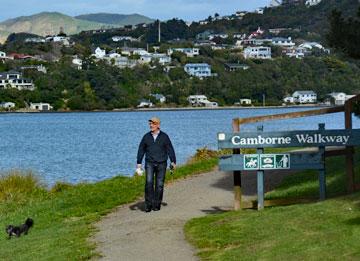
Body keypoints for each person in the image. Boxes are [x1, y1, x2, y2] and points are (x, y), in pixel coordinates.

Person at [137, 117, 176, 212]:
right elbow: (141, 149)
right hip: (149, 163)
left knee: (159, 185)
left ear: (158, 125)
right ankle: (148, 205)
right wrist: (139, 163)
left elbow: (170, 149)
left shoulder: (164, 137)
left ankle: (157, 204)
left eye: (153, 124)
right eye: (150, 124)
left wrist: (173, 161)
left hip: (161, 163)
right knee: (149, 183)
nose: (151, 126)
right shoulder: (146, 137)